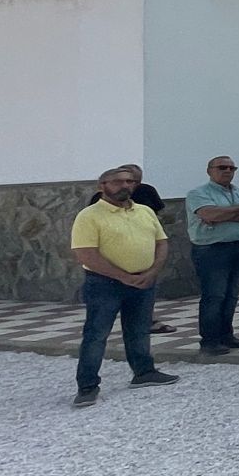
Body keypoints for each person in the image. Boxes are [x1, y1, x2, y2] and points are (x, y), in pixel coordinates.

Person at [69, 166, 177, 407]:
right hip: (104, 283)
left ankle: (144, 372)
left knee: (139, 330)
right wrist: (122, 276)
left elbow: (161, 242)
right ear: (102, 186)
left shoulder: (145, 211)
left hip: (143, 281)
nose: (125, 186)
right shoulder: (89, 216)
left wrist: (153, 271)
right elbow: (86, 253)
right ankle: (87, 386)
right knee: (97, 334)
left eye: (129, 181)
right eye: (117, 182)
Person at [186, 155, 239, 355]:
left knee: (232, 294)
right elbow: (210, 214)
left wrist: (224, 215)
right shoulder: (198, 193)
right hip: (212, 250)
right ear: (209, 170)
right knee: (214, 295)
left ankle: (226, 335)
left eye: (231, 168)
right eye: (222, 167)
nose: (227, 171)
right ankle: (210, 340)